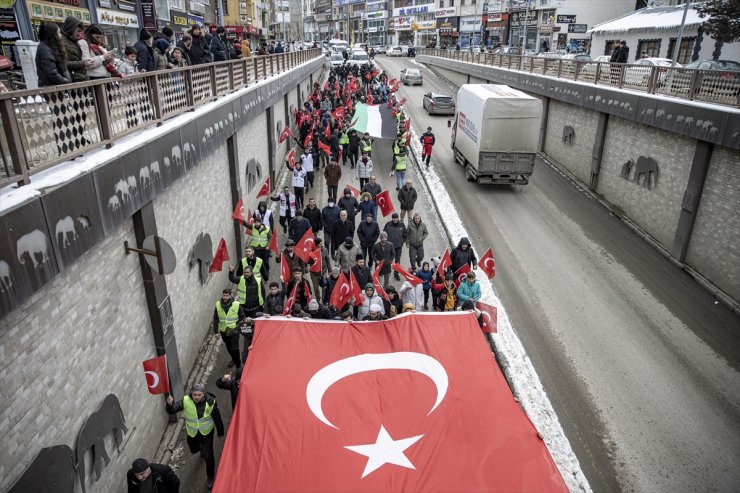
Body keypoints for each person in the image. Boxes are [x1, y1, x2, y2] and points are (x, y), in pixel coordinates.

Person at [166, 384, 224, 489]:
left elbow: (217, 417)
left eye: (199, 395)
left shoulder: (210, 402)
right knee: (193, 450)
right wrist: (170, 405)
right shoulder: (186, 400)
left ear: (204, 394)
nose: (196, 397)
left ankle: (210, 476)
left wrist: (220, 432)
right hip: (192, 434)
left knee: (208, 456)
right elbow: (172, 410)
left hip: (206, 434)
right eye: (194, 394)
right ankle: (200, 449)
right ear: (191, 394)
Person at [212, 289, 243, 369]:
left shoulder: (236, 304)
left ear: (230, 296)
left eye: (227, 296)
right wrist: (216, 332)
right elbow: (215, 318)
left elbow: (242, 316)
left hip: (234, 330)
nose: (225, 297)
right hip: (224, 331)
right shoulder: (218, 304)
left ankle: (238, 365)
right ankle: (233, 359)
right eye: (224, 295)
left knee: (234, 349)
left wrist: (237, 325)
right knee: (229, 347)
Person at [35, 22, 72, 87]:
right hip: (51, 88)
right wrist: (66, 81)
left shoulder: (50, 47)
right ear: (53, 34)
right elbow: (51, 74)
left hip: (55, 87)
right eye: (59, 32)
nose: (60, 35)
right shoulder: (45, 49)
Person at [61, 16, 91, 82]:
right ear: (71, 29)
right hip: (73, 79)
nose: (79, 34)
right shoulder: (62, 42)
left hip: (80, 77)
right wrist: (83, 63)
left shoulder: (74, 41)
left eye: (81, 31)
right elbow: (64, 63)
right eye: (78, 31)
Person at [384, 213, 407, 280]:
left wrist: (401, 242)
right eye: (393, 218)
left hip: (398, 247)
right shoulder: (388, 224)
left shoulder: (402, 225)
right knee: (388, 260)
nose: (395, 219)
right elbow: (384, 233)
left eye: (396, 218)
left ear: (398, 218)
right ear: (392, 218)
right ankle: (387, 273)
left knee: (397, 261)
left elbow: (405, 234)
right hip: (389, 246)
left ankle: (396, 273)